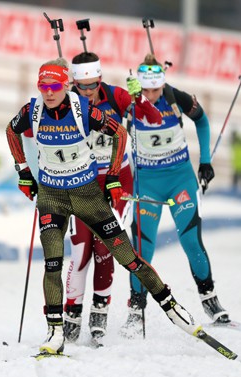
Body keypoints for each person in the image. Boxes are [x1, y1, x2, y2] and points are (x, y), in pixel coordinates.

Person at [5, 58, 201, 355]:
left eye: (55, 86)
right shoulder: (32, 111)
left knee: (124, 255)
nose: (48, 92)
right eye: (43, 86)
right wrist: (23, 171)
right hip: (52, 194)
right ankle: (56, 329)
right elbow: (12, 130)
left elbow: (126, 130)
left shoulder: (91, 106)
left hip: (88, 192)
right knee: (55, 261)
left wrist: (112, 177)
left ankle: (171, 307)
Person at [122, 54, 230, 337]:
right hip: (147, 183)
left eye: (156, 90)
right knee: (143, 248)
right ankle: (136, 307)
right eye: (146, 91)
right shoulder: (130, 102)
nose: (152, 95)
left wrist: (205, 161)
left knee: (191, 239)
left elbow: (203, 122)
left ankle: (209, 298)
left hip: (180, 179)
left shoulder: (175, 97)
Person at [62, 51, 163, 344]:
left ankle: (99, 313)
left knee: (106, 247)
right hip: (81, 182)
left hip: (117, 181)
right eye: (83, 87)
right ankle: (71, 313)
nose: (90, 92)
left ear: (100, 80)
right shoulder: (65, 102)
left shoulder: (117, 96)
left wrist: (139, 98)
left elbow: (153, 119)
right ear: (74, 84)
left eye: (94, 85)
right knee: (81, 249)